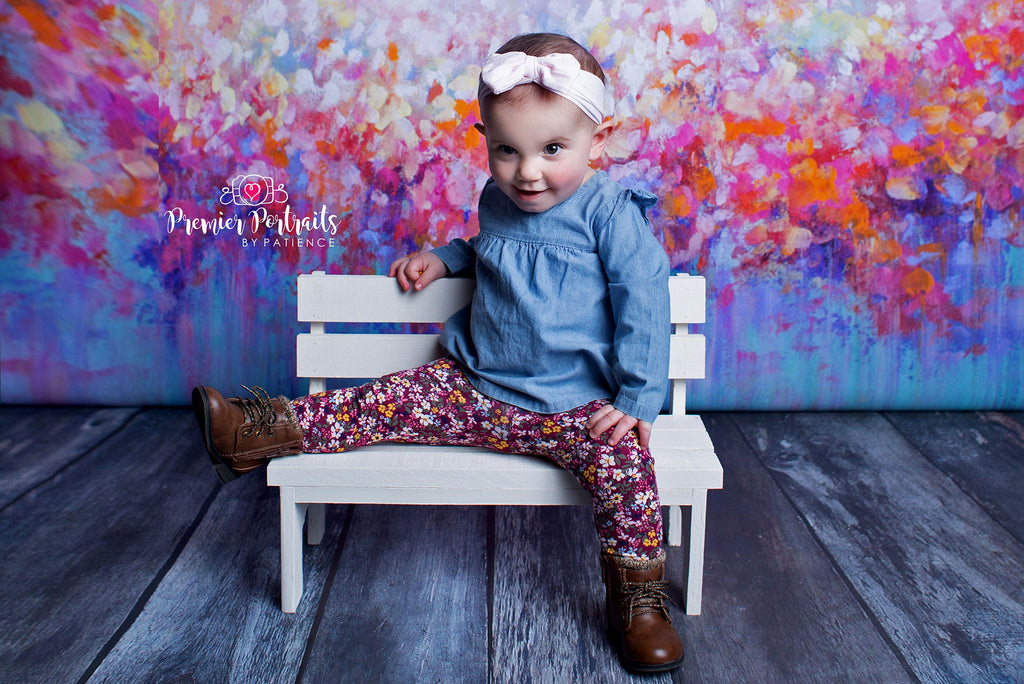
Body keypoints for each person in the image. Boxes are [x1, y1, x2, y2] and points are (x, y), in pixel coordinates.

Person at [192, 33, 682, 673]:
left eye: (552, 150)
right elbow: (495, 250)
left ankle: (638, 603)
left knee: (627, 473)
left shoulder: (611, 214)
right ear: (486, 139)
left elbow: (645, 300)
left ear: (599, 138)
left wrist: (638, 397)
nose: (527, 172)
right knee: (383, 401)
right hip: (476, 388)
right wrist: (447, 257)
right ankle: (252, 432)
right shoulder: (498, 199)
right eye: (507, 150)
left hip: (576, 406)